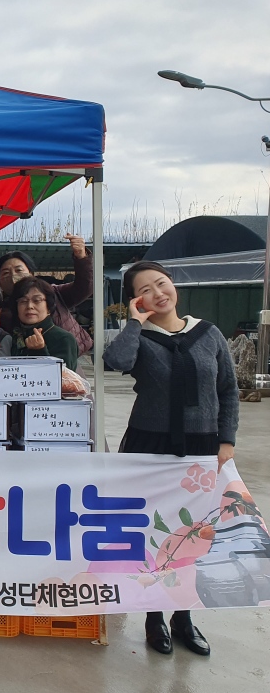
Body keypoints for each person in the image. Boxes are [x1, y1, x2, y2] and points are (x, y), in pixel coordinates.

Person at [103, 260, 238, 658]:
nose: (158, 293)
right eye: (145, 290)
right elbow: (117, 361)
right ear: (136, 300)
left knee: (192, 534)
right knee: (152, 532)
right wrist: (134, 322)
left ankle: (184, 616)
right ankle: (153, 616)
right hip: (149, 447)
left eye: (161, 284)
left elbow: (228, 390)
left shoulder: (208, 334)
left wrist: (226, 440)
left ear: (173, 285)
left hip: (201, 448)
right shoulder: (140, 338)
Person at [0, 233, 93, 355]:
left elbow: (84, 287)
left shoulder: (53, 293)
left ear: (31, 273)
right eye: (5, 273)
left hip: (67, 355)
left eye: (19, 270)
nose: (13, 276)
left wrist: (81, 257)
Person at [10, 277, 79, 370]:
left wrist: (39, 351)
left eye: (37, 300)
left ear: (49, 307)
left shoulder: (64, 338)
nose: (29, 306)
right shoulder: (14, 335)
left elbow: (64, 377)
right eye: (23, 301)